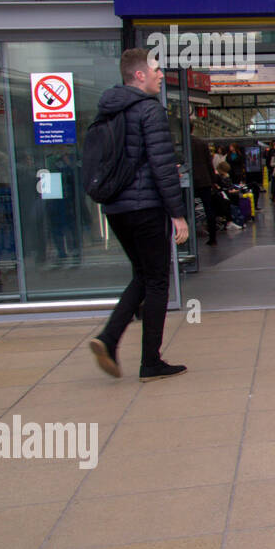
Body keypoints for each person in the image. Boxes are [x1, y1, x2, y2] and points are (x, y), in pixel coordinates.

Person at [89, 47, 189, 382]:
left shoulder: (108, 109)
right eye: (157, 70)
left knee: (143, 276)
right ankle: (150, 361)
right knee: (158, 279)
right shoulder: (149, 110)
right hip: (145, 207)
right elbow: (162, 168)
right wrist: (178, 214)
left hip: (116, 208)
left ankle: (109, 338)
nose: (162, 75)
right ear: (139, 75)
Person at [190, 125, 218, 247]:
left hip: (189, 181)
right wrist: (213, 181)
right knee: (208, 209)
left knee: (187, 210)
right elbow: (209, 163)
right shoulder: (202, 143)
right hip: (204, 180)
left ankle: (187, 239)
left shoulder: (182, 143)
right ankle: (213, 238)